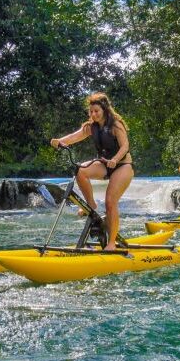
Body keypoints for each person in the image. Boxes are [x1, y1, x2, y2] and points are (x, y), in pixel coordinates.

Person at [50, 92, 134, 250]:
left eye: (96, 111)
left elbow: (125, 146)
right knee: (81, 170)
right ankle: (91, 204)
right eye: (91, 112)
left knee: (110, 202)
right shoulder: (91, 127)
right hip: (104, 164)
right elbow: (74, 137)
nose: (93, 114)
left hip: (122, 166)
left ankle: (111, 243)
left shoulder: (116, 124)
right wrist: (59, 141)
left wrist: (115, 159)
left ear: (104, 110)